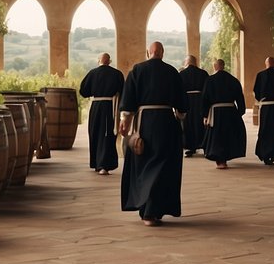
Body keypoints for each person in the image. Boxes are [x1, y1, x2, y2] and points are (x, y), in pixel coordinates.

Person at [119, 41, 187, 225]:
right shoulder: (172, 72)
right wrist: (180, 116)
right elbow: (181, 105)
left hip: (145, 123)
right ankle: (154, 211)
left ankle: (147, 211)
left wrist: (125, 121)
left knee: (144, 165)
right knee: (164, 166)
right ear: (162, 53)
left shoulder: (137, 70)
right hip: (166, 123)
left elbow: (129, 100)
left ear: (148, 53)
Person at [79, 52, 125, 174]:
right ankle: (104, 164)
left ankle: (97, 163)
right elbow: (123, 91)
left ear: (98, 61)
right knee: (107, 135)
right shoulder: (117, 74)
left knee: (95, 133)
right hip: (110, 107)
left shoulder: (92, 73)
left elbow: (83, 91)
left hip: (96, 107)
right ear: (109, 61)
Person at [200, 58, 247, 169]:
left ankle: (220, 160)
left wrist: (205, 115)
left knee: (217, 136)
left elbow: (204, 99)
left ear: (215, 67)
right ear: (223, 66)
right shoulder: (233, 80)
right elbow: (240, 98)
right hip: (230, 112)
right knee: (228, 135)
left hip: (216, 113)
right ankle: (225, 158)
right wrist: (239, 112)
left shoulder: (210, 80)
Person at [178, 54, 209, 157]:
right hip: (200, 101)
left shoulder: (181, 74)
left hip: (187, 102)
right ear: (196, 62)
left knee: (188, 124)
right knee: (201, 124)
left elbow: (179, 90)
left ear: (186, 62)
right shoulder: (203, 73)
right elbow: (207, 90)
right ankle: (204, 146)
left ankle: (190, 148)